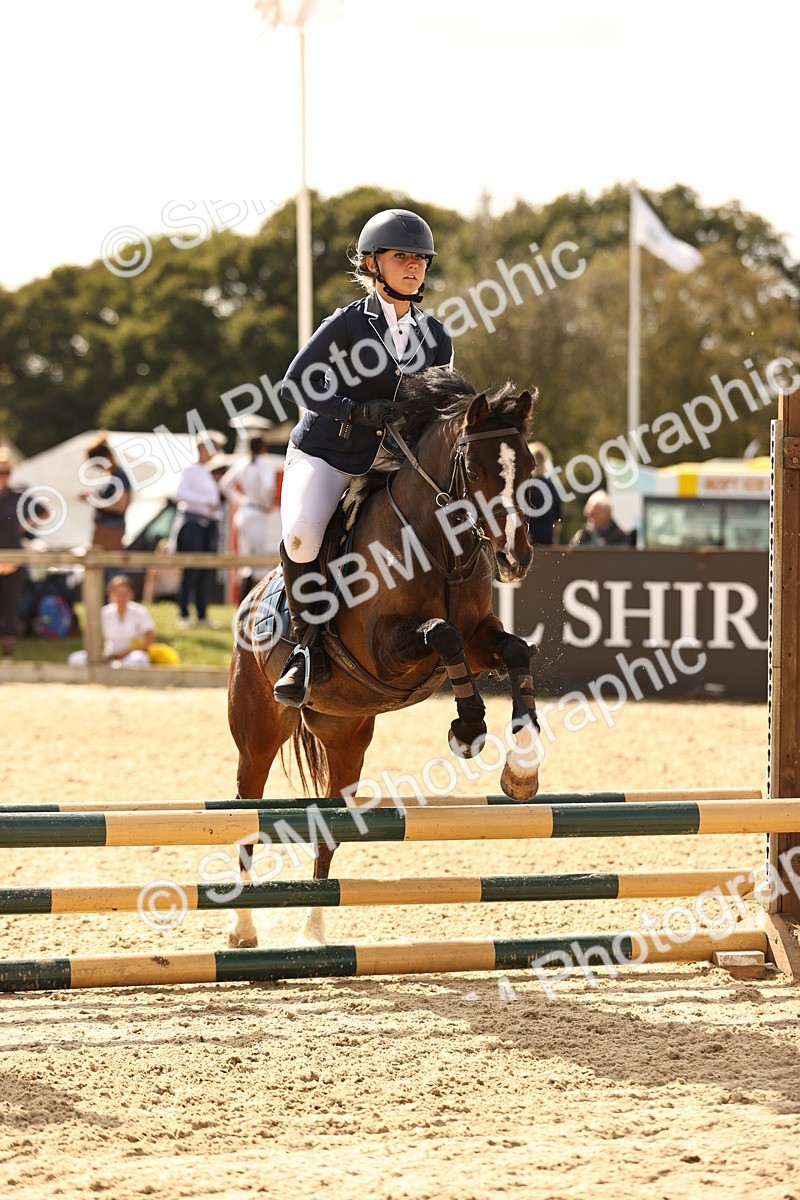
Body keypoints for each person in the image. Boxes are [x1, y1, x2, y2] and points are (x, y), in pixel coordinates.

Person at [273, 207, 453, 707]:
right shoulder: (348, 324)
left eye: (421, 259)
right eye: (402, 257)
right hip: (328, 452)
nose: (414, 267)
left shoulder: (436, 337)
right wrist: (352, 409)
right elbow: (297, 381)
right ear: (373, 264)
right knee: (304, 536)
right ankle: (303, 651)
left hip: (394, 461)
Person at [170, 435, 223, 628]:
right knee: (191, 571)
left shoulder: (205, 472)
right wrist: (205, 502)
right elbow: (179, 494)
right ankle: (184, 614)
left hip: (207, 526)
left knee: (203, 573)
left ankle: (201, 614)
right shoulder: (190, 470)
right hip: (193, 526)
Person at [219, 435, 279, 601]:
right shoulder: (265, 464)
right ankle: (255, 601)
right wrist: (266, 502)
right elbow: (268, 487)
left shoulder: (242, 463)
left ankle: (243, 602)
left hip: (244, 512)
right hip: (257, 513)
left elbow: (224, 484)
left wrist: (241, 500)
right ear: (263, 447)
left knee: (247, 560)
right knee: (258, 560)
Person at [68, 574, 154, 667]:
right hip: (109, 655)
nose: (121, 597)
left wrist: (126, 652)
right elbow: (94, 640)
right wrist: (103, 654)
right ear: (110, 594)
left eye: (125, 593)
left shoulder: (139, 611)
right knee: (75, 659)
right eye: (118, 593)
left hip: (130, 655)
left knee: (138, 659)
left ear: (131, 594)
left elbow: (150, 641)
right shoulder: (104, 612)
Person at [80, 436, 131, 552]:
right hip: (104, 527)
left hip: (112, 529)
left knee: (107, 566)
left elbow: (120, 507)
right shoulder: (111, 477)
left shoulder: (120, 476)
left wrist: (94, 500)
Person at [525, 442, 562, 545]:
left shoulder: (525, 487)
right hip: (548, 540)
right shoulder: (552, 487)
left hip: (527, 541)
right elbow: (558, 520)